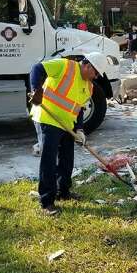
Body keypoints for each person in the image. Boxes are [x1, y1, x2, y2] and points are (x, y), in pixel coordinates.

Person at [29, 52, 108, 215]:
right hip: (48, 117)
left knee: (67, 159)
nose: (96, 77)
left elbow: (78, 109)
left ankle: (63, 192)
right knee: (49, 161)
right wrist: (36, 90)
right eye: (95, 72)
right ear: (88, 65)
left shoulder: (89, 86)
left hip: (67, 124)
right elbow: (37, 68)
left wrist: (79, 129)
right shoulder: (65, 66)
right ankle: (47, 201)